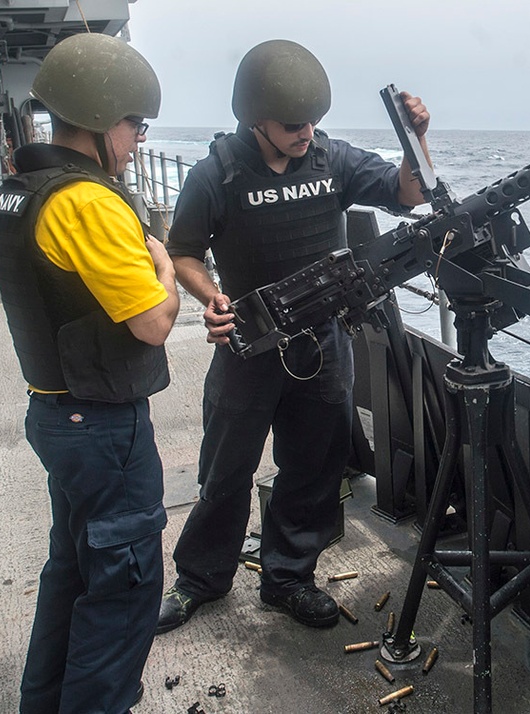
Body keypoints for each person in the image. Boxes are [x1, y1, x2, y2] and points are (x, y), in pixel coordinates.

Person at [156, 39, 431, 632]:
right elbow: (182, 252)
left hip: (323, 342)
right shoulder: (217, 174)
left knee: (312, 468)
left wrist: (416, 141)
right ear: (256, 120)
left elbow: (410, 193)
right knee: (226, 469)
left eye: (313, 121)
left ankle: (288, 577)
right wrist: (213, 298)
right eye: (291, 125)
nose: (306, 133)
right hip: (250, 345)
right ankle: (201, 578)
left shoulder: (333, 160)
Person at [0, 32, 179, 714]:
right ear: (101, 120)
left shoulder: (17, 191)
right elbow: (152, 322)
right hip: (101, 426)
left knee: (72, 574)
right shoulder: (88, 202)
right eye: (135, 126)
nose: (137, 142)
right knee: (124, 588)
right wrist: (163, 269)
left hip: (56, 414)